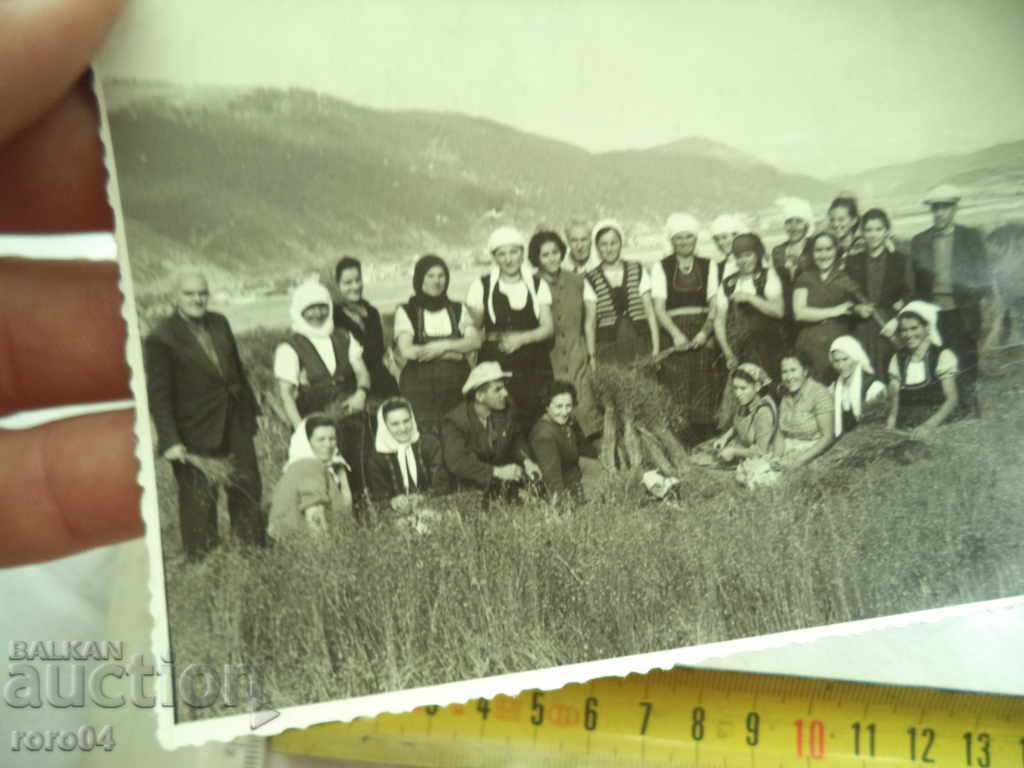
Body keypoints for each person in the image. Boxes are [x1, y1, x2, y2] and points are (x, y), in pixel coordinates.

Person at [144, 271, 266, 560]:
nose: (197, 299)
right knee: (199, 500)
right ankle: (204, 562)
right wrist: (171, 441)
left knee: (247, 486)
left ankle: (251, 552)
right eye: (190, 293)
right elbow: (159, 396)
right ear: (176, 297)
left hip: (235, 422)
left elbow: (236, 370)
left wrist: (251, 413)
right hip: (194, 432)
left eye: (202, 293)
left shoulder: (219, 322)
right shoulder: (161, 338)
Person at [273, 278, 372, 504]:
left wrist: (361, 393)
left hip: (350, 420)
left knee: (359, 472)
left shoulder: (344, 336)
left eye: (321, 307)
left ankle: (364, 523)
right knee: (321, 480)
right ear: (300, 311)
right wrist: (301, 430)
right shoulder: (290, 347)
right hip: (315, 426)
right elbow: (286, 395)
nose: (317, 313)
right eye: (310, 308)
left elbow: (362, 372)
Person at [909, 184, 992, 418]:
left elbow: (983, 276)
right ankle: (946, 408)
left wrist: (975, 303)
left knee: (965, 358)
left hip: (963, 311)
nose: (940, 213)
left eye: (945, 208)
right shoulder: (920, 241)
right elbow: (916, 282)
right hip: (933, 313)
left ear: (955, 208)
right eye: (935, 208)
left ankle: (969, 407)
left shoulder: (970, 237)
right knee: (938, 359)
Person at [465, 225, 555, 425]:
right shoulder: (481, 286)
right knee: (500, 416)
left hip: (533, 363)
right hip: (496, 363)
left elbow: (547, 328)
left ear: (522, 254)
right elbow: (473, 328)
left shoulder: (538, 285)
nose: (508, 259)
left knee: (535, 416)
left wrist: (521, 339)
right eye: (501, 254)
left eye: (514, 252)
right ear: (494, 258)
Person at [651, 212, 723, 441]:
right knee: (678, 385)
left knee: (704, 384)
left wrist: (705, 332)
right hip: (675, 333)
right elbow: (659, 308)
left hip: (703, 330)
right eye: (678, 238)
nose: (684, 242)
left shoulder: (708, 265)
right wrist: (675, 334)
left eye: (688, 237)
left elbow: (714, 304)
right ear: (671, 241)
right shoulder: (661, 267)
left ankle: (706, 439)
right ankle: (683, 441)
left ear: (696, 239)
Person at [393, 254, 479, 437]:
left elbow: (474, 341)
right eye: (430, 276)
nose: (437, 281)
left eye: (441, 276)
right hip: (420, 389)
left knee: (458, 434)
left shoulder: (457, 309)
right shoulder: (407, 311)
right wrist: (454, 351)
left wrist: (441, 347)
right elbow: (408, 351)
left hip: (457, 387)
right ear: (420, 279)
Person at [529, 230, 601, 437]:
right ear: (536, 258)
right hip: (547, 361)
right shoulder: (531, 284)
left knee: (585, 407)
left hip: (576, 355)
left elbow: (590, 321)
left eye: (555, 252)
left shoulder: (578, 281)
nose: (552, 258)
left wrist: (591, 354)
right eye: (545, 255)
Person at [440, 362, 542, 504]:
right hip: (469, 489)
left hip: (501, 485)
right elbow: (457, 462)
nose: (505, 393)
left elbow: (516, 438)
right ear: (480, 396)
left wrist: (527, 461)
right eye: (497, 389)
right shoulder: (455, 422)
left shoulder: (507, 408)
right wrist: (497, 472)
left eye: (504, 387)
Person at [844, 208, 911, 375]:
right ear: (862, 233)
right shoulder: (853, 262)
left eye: (878, 229)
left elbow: (909, 294)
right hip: (862, 329)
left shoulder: (900, 260)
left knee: (892, 372)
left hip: (888, 327)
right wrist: (856, 309)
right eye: (868, 230)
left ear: (887, 231)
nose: (873, 235)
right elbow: (845, 298)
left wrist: (897, 321)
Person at [583, 218, 659, 364]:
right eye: (603, 244)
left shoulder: (637, 269)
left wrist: (655, 348)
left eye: (613, 243)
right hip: (608, 347)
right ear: (597, 247)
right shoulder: (591, 278)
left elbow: (650, 312)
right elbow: (590, 322)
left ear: (620, 243)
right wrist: (592, 357)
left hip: (640, 343)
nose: (609, 249)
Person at [713, 233, 785, 379]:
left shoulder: (767, 276)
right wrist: (727, 352)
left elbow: (778, 311)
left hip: (767, 347)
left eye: (748, 255)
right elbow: (719, 320)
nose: (743, 261)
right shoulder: (728, 283)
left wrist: (750, 298)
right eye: (739, 257)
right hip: (738, 349)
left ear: (757, 255)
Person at [268, 414, 352, 538]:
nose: (328, 444)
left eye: (332, 438)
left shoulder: (302, 466)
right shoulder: (310, 466)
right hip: (306, 547)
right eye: (321, 439)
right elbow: (315, 516)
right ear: (307, 442)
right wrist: (325, 554)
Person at [793, 232, 861, 381]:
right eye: (818, 250)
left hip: (839, 344)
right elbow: (799, 312)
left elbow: (858, 305)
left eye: (828, 249)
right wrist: (836, 311)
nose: (824, 255)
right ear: (811, 253)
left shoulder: (845, 277)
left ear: (836, 250)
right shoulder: (805, 278)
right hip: (811, 345)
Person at [886, 301, 960, 437]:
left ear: (927, 327)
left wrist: (928, 427)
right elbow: (895, 397)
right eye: (904, 330)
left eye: (914, 328)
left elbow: (952, 399)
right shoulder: (898, 359)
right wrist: (891, 422)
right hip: (905, 429)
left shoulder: (942, 356)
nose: (908, 335)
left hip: (935, 428)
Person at [333, 256, 400, 401]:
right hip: (353, 384)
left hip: (382, 381)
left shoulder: (372, 312)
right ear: (337, 285)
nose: (355, 286)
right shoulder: (333, 316)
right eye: (348, 283)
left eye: (358, 280)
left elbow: (380, 351)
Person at [366, 397, 448, 516]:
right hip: (397, 516)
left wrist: (423, 497)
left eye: (406, 421)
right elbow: (379, 498)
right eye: (395, 424)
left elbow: (442, 485)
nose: (403, 428)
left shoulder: (429, 445)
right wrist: (392, 502)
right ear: (385, 426)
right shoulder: (377, 458)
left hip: (433, 508)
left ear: (413, 420)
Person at [528, 380, 598, 502]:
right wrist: (563, 505)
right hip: (562, 491)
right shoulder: (544, 436)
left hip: (577, 482)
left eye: (568, 406)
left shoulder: (567, 423)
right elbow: (553, 480)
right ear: (546, 406)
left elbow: (586, 450)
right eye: (559, 406)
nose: (564, 412)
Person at [773, 349, 835, 468]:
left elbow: (827, 436)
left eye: (793, 370)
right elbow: (779, 433)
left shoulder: (819, 393)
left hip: (812, 453)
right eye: (784, 372)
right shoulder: (785, 394)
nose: (789, 377)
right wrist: (776, 456)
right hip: (788, 450)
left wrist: (799, 461)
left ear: (805, 371)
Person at [705, 363, 778, 463]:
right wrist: (725, 438)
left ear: (757, 387)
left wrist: (734, 452)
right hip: (744, 449)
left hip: (763, 459)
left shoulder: (764, 411)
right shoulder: (745, 403)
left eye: (743, 388)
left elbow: (761, 451)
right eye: (735, 388)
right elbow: (738, 425)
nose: (738, 393)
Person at [771, 197, 817, 347]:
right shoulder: (778, 251)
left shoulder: (816, 246)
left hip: (811, 311)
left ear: (807, 223)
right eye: (789, 222)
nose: (793, 227)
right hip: (786, 316)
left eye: (798, 221)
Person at [828, 335, 887, 437]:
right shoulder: (834, 388)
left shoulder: (874, 387)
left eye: (845, 359)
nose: (841, 366)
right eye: (836, 361)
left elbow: (877, 427)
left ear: (855, 358)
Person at [827, 194, 866, 269]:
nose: (836, 224)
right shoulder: (828, 248)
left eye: (841, 219)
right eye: (832, 220)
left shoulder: (863, 247)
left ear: (853, 221)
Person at [709, 213, 745, 284]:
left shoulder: (753, 263)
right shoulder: (717, 268)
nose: (720, 243)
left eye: (724, 237)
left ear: (736, 236)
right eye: (717, 239)